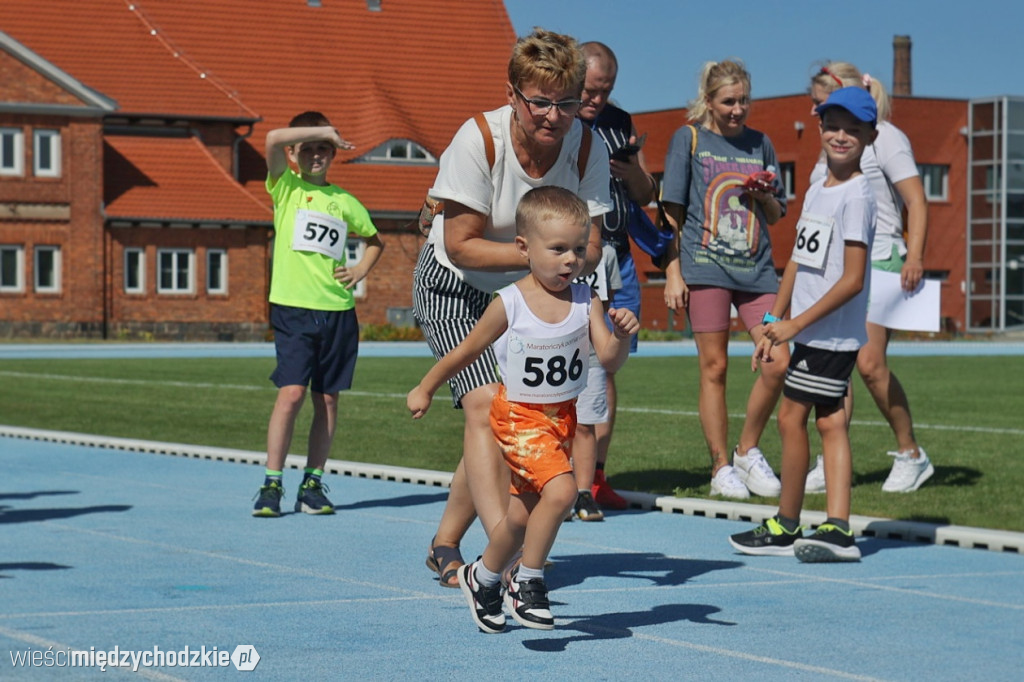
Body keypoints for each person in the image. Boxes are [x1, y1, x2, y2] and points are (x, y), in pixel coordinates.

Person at [413, 29, 612, 587]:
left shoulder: (589, 147)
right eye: (540, 101)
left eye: (566, 103)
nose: (553, 116)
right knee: (485, 409)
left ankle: (445, 542)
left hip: (533, 289)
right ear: (513, 95)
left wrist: (557, 272)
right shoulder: (479, 139)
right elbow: (461, 244)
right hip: (456, 286)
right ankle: (501, 554)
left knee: (512, 416)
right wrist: (536, 264)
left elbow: (592, 243)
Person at [407, 187, 639, 631]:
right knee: (563, 492)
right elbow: (466, 351)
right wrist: (427, 386)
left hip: (559, 421)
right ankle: (528, 581)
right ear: (523, 248)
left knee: (521, 513)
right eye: (557, 250)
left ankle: (484, 577)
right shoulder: (510, 301)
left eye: (577, 249)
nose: (570, 260)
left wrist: (622, 336)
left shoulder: (585, 298)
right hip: (518, 417)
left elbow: (607, 358)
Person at [729, 86, 878, 562]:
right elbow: (797, 260)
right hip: (811, 330)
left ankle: (789, 523)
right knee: (830, 423)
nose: (840, 136)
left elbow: (852, 280)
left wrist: (796, 327)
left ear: (870, 136)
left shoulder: (858, 195)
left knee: (794, 418)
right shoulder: (817, 187)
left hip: (829, 333)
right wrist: (775, 319)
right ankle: (833, 526)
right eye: (832, 126)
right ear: (818, 128)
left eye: (853, 130)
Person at [660, 60, 788, 499]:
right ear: (709, 100)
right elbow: (671, 212)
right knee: (714, 368)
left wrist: (763, 197)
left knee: (779, 359)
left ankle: (746, 451)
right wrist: (672, 270)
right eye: (728, 101)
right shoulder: (689, 138)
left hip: (757, 270)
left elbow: (776, 213)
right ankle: (720, 468)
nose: (738, 110)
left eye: (744, 101)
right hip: (705, 267)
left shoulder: (762, 143)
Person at [803, 62, 933, 495]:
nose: (818, 109)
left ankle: (911, 453)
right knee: (838, 362)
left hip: (882, 262)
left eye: (822, 98)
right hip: (837, 272)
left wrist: (914, 255)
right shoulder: (828, 153)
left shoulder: (885, 137)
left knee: (869, 363)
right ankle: (831, 457)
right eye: (818, 105)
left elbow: (916, 198)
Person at [252, 111, 384, 517]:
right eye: (307, 148)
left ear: (332, 155)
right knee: (291, 394)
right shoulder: (284, 187)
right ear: (293, 154)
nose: (316, 155)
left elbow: (375, 240)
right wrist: (323, 130)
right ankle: (272, 482)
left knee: (327, 400)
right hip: (293, 309)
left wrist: (361, 269)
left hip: (338, 310)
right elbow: (273, 135)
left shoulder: (344, 200)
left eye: (323, 149)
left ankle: (312, 483)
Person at [576, 41, 658, 511]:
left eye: (605, 91)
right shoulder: (560, 119)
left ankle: (597, 475)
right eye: (590, 90)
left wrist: (630, 171)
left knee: (609, 363)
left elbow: (646, 193)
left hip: (617, 255)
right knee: (572, 361)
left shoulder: (619, 122)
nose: (596, 100)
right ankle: (565, 472)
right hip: (575, 256)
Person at [568, 242, 623, 521]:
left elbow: (607, 301)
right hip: (553, 350)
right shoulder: (551, 246)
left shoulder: (606, 254)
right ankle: (555, 489)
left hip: (589, 352)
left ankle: (584, 492)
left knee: (585, 424)